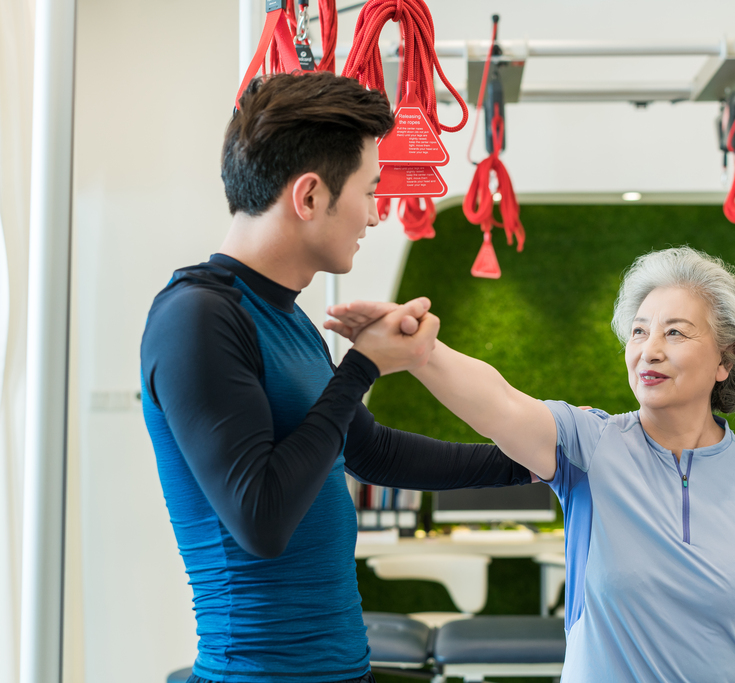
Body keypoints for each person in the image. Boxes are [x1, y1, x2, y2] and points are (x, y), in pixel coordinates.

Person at [140, 72, 532, 683]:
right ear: (310, 196)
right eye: (370, 191)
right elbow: (261, 518)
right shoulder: (196, 318)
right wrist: (362, 366)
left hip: (341, 669)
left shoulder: (285, 316)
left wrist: (535, 462)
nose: (374, 215)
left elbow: (369, 449)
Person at [329, 246, 735, 682]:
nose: (649, 351)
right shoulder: (590, 444)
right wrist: (425, 352)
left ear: (726, 359)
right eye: (638, 333)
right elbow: (501, 404)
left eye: (676, 333)